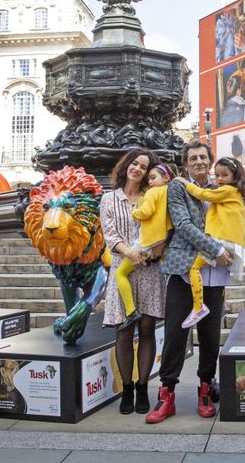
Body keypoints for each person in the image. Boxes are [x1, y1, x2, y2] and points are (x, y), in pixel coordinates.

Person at [146, 140, 234, 424]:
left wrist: (232, 249)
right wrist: (216, 250)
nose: (198, 162)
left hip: (215, 273)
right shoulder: (177, 187)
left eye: (203, 157)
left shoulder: (220, 188)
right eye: (193, 158)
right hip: (183, 270)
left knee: (210, 336)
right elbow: (183, 225)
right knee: (174, 335)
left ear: (210, 162)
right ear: (185, 163)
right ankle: (166, 394)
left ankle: (205, 389)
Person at [100, 148, 168, 415]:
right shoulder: (109, 199)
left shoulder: (152, 196)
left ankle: (143, 387)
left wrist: (152, 253)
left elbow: (163, 227)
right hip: (123, 269)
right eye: (134, 163)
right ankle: (126, 388)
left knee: (148, 329)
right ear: (126, 165)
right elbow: (109, 233)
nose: (138, 169)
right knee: (124, 330)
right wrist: (129, 253)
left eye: (144, 166)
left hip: (150, 269)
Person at [178, 157, 245, 328]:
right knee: (203, 268)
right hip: (229, 240)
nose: (220, 179)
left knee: (194, 267)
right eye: (217, 175)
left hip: (224, 240)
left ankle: (198, 306)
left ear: (235, 176)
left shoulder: (229, 191)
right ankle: (209, 304)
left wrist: (182, 181)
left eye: (224, 175)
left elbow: (202, 194)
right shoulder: (234, 193)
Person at [119, 162, 177, 330]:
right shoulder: (171, 192)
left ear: (166, 178)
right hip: (165, 240)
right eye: (149, 179)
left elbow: (145, 212)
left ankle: (130, 312)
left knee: (120, 273)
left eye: (153, 177)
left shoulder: (152, 193)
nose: (150, 182)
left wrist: (134, 211)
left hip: (149, 241)